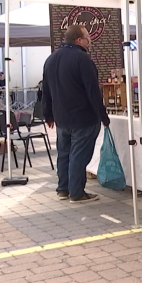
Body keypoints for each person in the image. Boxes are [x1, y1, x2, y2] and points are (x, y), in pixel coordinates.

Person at [42, 25, 109, 203]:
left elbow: (45, 90)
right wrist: (103, 116)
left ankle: (63, 189)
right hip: (83, 117)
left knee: (64, 154)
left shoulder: (51, 59)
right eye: (88, 36)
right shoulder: (83, 59)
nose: (90, 39)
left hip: (61, 118)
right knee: (79, 155)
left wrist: (48, 114)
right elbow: (93, 91)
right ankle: (77, 192)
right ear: (79, 40)